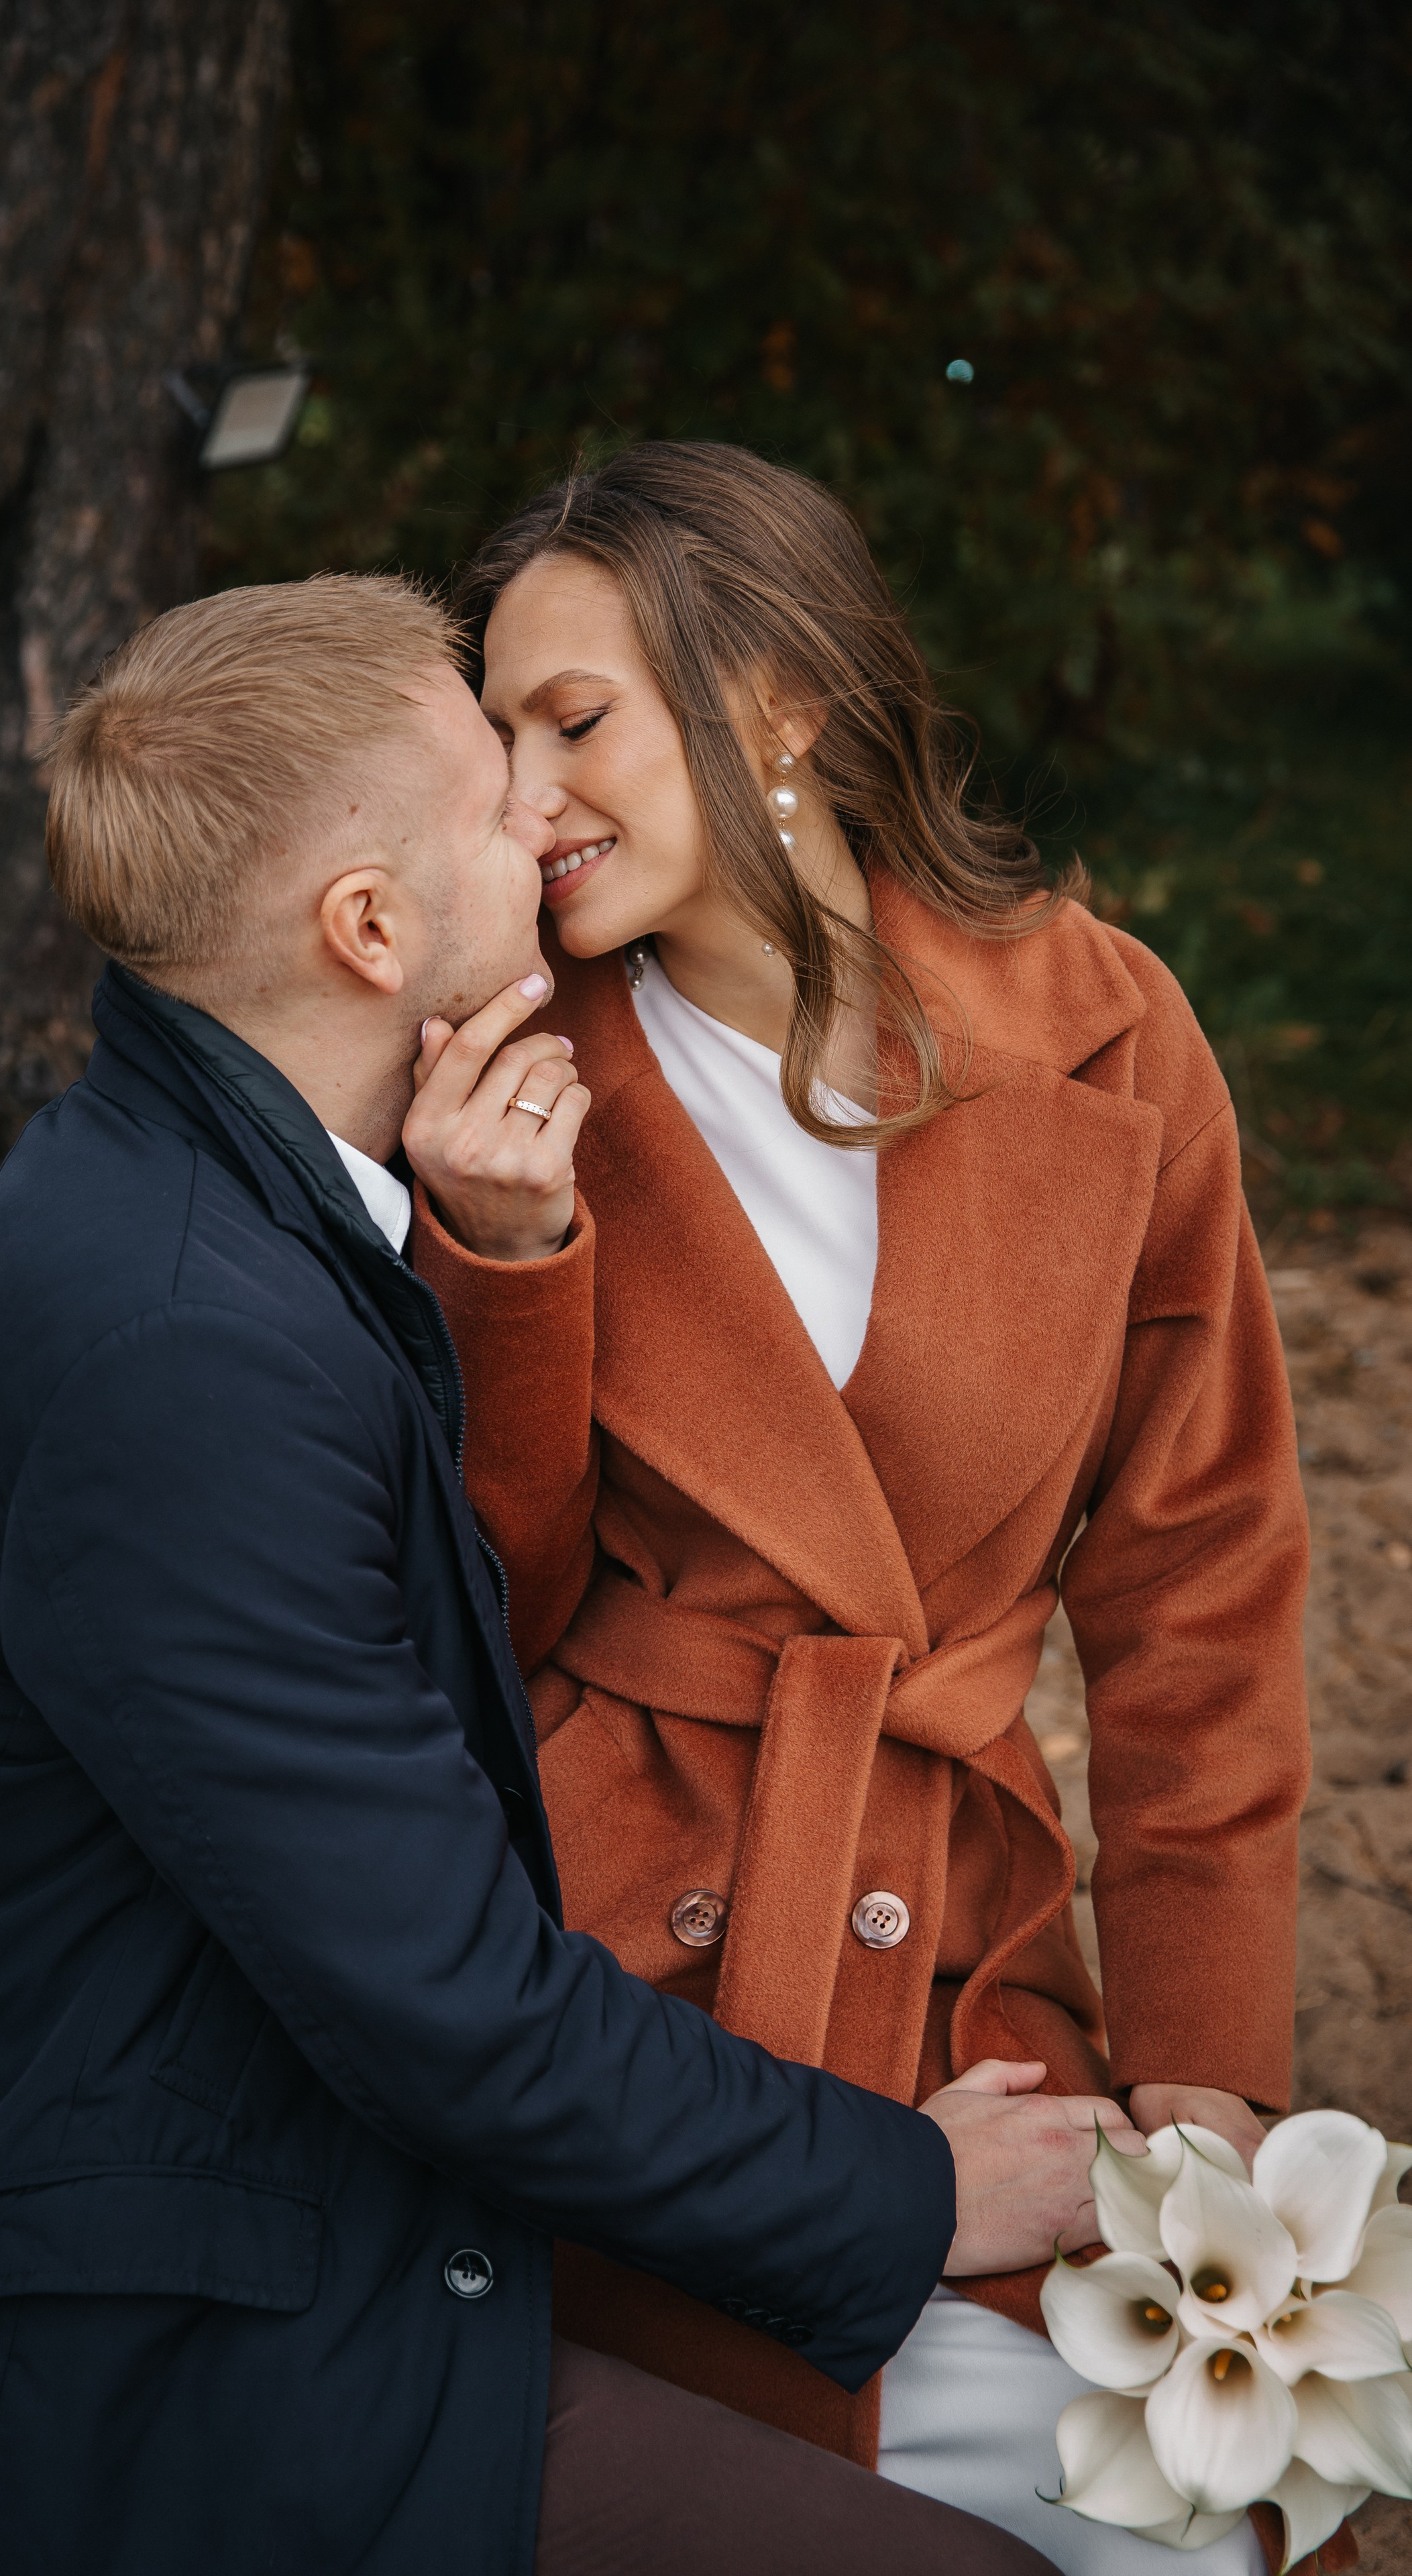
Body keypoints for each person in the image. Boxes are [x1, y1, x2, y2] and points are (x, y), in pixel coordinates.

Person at [0, 577, 1106, 2576]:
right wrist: (904, 2193)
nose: (546, 816)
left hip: (243, 2201)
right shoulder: (178, 1346)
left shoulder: (223, 1203)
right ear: (368, 931)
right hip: (149, 2354)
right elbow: (443, 1996)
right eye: (485, 791)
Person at [404, 447, 1312, 2576]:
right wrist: (502, 1269)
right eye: (499, 734)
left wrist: (1206, 2070)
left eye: (579, 720)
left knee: (1186, 2522)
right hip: (631, 1965)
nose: (525, 800)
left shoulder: (1110, 1037)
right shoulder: (505, 1073)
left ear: (784, 699)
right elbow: (477, 1607)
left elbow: (1202, 1588)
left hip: (970, 1931)